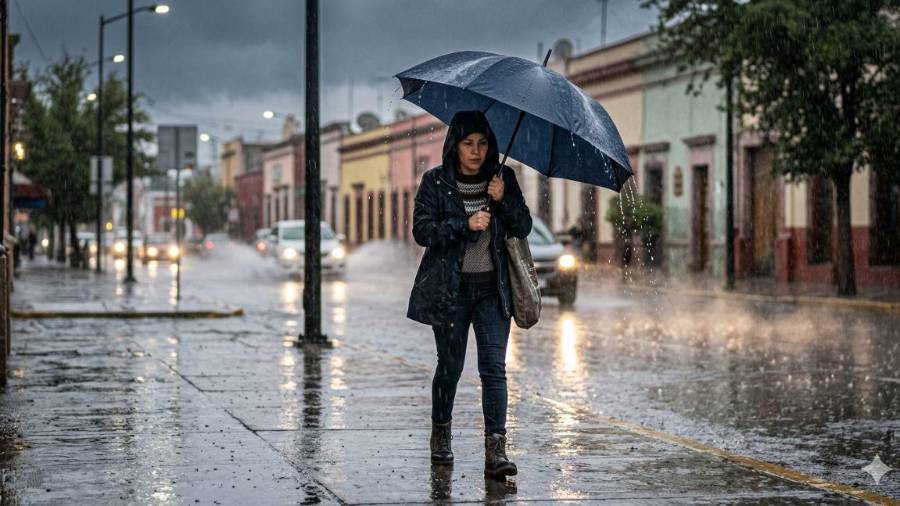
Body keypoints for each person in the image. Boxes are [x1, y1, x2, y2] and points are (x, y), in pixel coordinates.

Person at [407, 110, 532, 479]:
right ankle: (441, 437)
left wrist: (504, 199)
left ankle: (496, 450)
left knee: (494, 369)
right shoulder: (436, 182)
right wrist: (465, 224)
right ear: (455, 146)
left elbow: (522, 225)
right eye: (468, 144)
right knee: (450, 368)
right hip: (451, 291)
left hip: (493, 290)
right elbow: (422, 231)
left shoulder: (502, 178)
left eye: (482, 143)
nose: (476, 152)